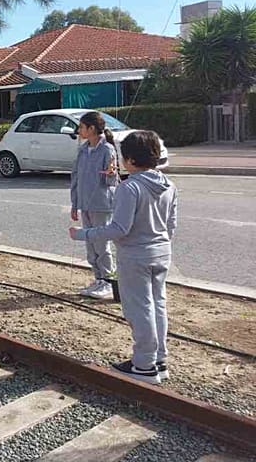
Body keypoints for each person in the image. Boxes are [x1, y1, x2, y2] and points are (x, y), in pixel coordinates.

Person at [69, 131, 177, 385]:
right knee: (157, 305)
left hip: (135, 256)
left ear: (128, 159)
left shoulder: (130, 188)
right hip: (162, 252)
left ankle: (143, 365)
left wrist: (83, 234)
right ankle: (159, 360)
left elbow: (119, 228)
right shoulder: (168, 185)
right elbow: (171, 225)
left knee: (139, 309)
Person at [70, 111, 119, 301]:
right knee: (90, 244)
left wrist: (110, 173)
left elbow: (111, 181)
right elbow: (76, 178)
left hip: (101, 204)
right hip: (85, 204)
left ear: (91, 129)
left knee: (101, 244)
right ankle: (98, 279)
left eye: (82, 127)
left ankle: (108, 281)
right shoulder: (83, 150)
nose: (79, 130)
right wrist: (75, 203)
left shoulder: (107, 150)